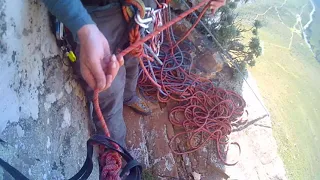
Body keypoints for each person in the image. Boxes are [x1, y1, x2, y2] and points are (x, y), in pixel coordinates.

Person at [42, 0, 226, 148]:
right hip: (95, 13)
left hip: (138, 10)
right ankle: (115, 149)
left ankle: (129, 97)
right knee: (109, 88)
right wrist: (84, 28)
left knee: (133, 59)